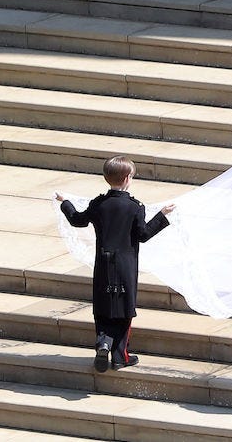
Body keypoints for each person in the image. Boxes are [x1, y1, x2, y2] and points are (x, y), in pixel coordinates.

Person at [54, 157, 174, 372]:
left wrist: (65, 202)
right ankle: (120, 356)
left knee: (103, 305)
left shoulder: (98, 203)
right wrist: (162, 216)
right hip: (125, 266)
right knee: (124, 308)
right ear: (128, 178)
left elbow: (77, 220)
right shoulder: (134, 207)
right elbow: (143, 234)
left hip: (103, 264)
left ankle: (103, 343)